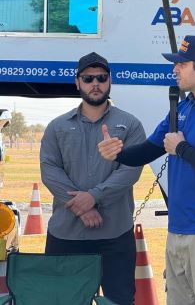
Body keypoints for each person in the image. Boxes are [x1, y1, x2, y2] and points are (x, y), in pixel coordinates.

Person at [98, 35, 195, 305]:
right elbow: (148, 150)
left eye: (182, 63)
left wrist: (182, 149)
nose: (175, 69)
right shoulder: (183, 107)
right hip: (177, 230)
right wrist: (117, 153)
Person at [40, 52, 145, 305]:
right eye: (88, 78)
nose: (95, 83)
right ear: (77, 83)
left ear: (110, 81)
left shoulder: (129, 125)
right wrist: (81, 206)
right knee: (61, 300)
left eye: (101, 77)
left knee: (119, 300)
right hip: (66, 234)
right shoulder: (57, 126)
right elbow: (49, 170)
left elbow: (131, 171)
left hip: (115, 234)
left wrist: (94, 196)